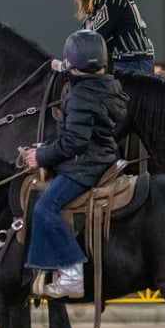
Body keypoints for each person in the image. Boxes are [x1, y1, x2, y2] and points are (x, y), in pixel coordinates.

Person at [18, 30, 128, 298]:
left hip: (85, 166)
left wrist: (40, 157)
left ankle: (71, 272)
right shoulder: (108, 86)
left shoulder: (81, 95)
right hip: (102, 156)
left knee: (44, 208)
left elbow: (73, 143)